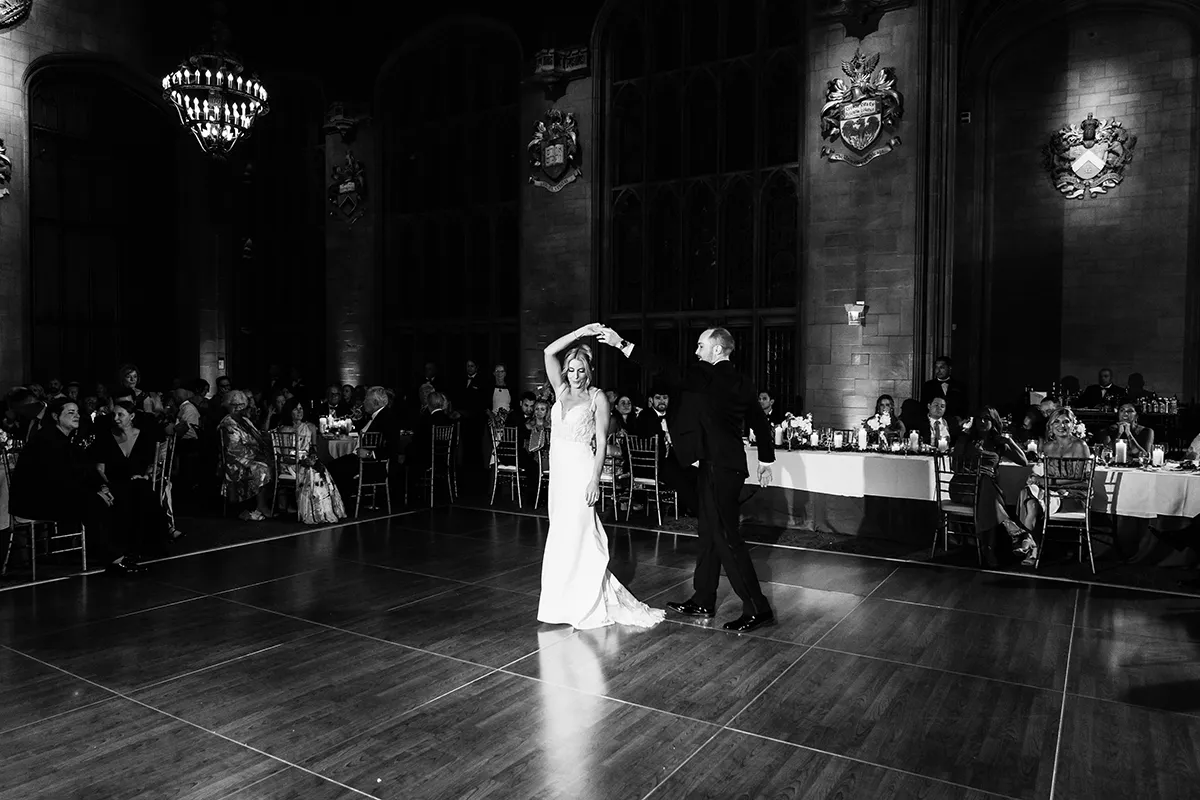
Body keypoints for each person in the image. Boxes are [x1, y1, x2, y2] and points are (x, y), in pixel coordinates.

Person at [599, 323, 776, 632]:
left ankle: (757, 607)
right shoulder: (741, 381)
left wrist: (621, 344)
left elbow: (664, 368)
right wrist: (765, 460)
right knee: (708, 533)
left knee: (726, 538)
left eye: (700, 346)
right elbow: (760, 422)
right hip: (722, 465)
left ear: (717, 349)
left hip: (720, 467)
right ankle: (703, 598)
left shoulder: (706, 375)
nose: (696, 352)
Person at [536, 324, 664, 630]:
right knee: (561, 536)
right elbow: (548, 351)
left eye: (580, 370)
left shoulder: (597, 398)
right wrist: (580, 332)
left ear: (589, 372)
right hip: (560, 474)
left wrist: (594, 479)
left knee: (581, 534)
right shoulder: (560, 390)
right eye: (571, 370)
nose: (575, 375)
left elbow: (602, 443)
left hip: (582, 471)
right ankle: (560, 606)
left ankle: (587, 603)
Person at [9, 398, 140, 575]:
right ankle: (114, 558)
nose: (77, 415)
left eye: (77, 412)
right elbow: (57, 480)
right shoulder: (47, 439)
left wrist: (102, 488)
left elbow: (83, 469)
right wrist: (94, 493)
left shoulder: (66, 439)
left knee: (116, 495)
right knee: (92, 502)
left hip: (55, 494)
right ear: (55, 416)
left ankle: (119, 551)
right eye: (71, 412)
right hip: (34, 501)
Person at [952, 406, 1037, 566]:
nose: (982, 421)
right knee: (986, 485)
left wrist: (1009, 441)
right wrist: (975, 469)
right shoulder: (966, 438)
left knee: (987, 492)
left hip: (986, 489)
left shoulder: (997, 443)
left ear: (994, 421)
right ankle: (1009, 534)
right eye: (979, 418)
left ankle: (989, 548)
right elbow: (954, 466)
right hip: (963, 486)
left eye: (987, 418)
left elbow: (1023, 461)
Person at [92, 400, 171, 562]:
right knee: (135, 492)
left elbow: (153, 465)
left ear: (132, 416)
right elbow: (100, 469)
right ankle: (139, 543)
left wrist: (146, 476)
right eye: (114, 414)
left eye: (120, 414)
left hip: (138, 481)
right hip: (115, 482)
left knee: (141, 489)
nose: (116, 418)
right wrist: (108, 484)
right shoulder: (106, 437)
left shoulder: (144, 437)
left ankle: (146, 544)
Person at [276, 398, 347, 525]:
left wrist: (312, 458)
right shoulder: (285, 429)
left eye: (301, 408)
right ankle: (309, 511)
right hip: (291, 464)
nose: (299, 412)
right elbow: (285, 456)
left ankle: (323, 511)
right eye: (296, 409)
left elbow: (313, 448)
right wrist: (301, 461)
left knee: (320, 470)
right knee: (311, 472)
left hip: (306, 460)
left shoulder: (310, 427)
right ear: (289, 411)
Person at [217, 390, 274, 521]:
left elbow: (257, 437)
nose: (240, 408)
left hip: (250, 457)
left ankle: (264, 504)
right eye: (236, 405)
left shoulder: (245, 420)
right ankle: (260, 506)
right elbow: (233, 449)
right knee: (262, 468)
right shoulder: (228, 423)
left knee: (273, 464)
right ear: (230, 406)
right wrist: (255, 455)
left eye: (242, 405)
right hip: (235, 462)